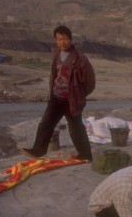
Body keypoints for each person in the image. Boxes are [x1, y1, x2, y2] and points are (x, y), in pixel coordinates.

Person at [23, 25, 95, 161]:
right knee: (46, 123)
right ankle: (38, 150)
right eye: (59, 39)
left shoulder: (81, 59)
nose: (63, 42)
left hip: (71, 100)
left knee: (75, 128)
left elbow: (90, 82)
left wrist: (79, 95)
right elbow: (54, 75)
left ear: (71, 39)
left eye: (66, 39)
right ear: (56, 40)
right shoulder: (56, 55)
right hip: (56, 97)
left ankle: (86, 154)